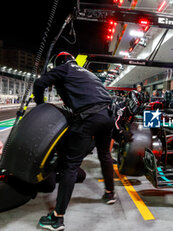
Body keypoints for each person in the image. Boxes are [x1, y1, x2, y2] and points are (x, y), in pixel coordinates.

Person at [33, 52, 116, 231]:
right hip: (108, 115)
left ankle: (57, 218)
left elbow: (39, 83)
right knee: (105, 155)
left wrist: (40, 107)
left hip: (89, 117)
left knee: (71, 165)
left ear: (59, 63)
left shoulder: (64, 69)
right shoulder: (88, 73)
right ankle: (110, 193)